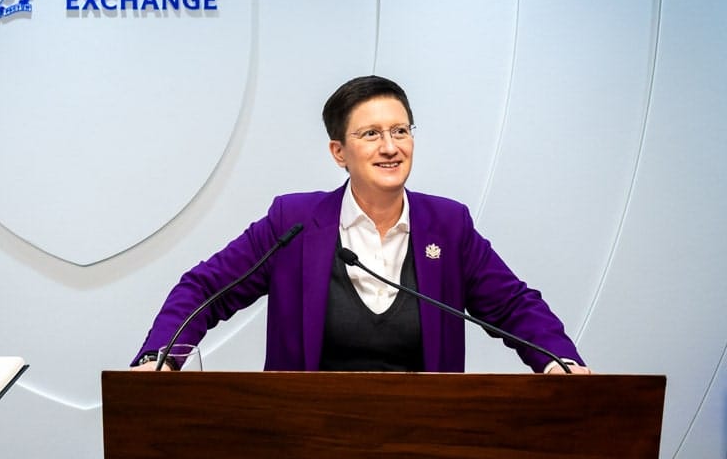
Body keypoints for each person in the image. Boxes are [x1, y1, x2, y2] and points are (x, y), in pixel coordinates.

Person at [132, 75, 589, 374]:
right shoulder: (292, 223)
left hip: (425, 448)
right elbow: (204, 289)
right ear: (339, 153)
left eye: (401, 130)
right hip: (306, 443)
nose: (390, 147)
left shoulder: (448, 226)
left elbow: (513, 305)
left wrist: (558, 361)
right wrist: (160, 358)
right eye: (371, 134)